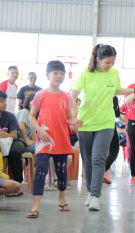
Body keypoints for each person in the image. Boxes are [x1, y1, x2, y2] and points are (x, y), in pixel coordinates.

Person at [70, 44, 135, 211]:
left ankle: (96, 196)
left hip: (105, 123)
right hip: (85, 123)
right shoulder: (86, 73)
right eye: (107, 62)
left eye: (112, 62)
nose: (110, 65)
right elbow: (73, 94)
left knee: (98, 159)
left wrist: (134, 89)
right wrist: (74, 116)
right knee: (88, 161)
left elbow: (115, 90)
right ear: (98, 59)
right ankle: (90, 191)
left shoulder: (114, 73)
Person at [26, 60, 81, 218]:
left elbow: (69, 118)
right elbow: (31, 116)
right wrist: (39, 131)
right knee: (41, 170)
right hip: (44, 141)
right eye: (55, 73)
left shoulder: (66, 96)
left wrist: (74, 122)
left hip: (62, 141)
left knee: (62, 172)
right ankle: (36, 205)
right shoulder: (40, 94)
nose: (59, 76)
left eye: (62, 73)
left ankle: (62, 197)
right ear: (47, 75)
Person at [0, 90, 23, 196]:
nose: (5, 104)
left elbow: (14, 135)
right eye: (1, 101)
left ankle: (17, 181)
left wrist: (4, 134)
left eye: (5, 101)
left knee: (14, 150)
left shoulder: (10, 116)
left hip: (14, 142)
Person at [103, 96, 121, 185]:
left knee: (96, 151)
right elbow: (117, 114)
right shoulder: (113, 97)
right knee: (114, 150)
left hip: (92, 124)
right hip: (108, 124)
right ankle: (103, 170)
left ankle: (99, 172)